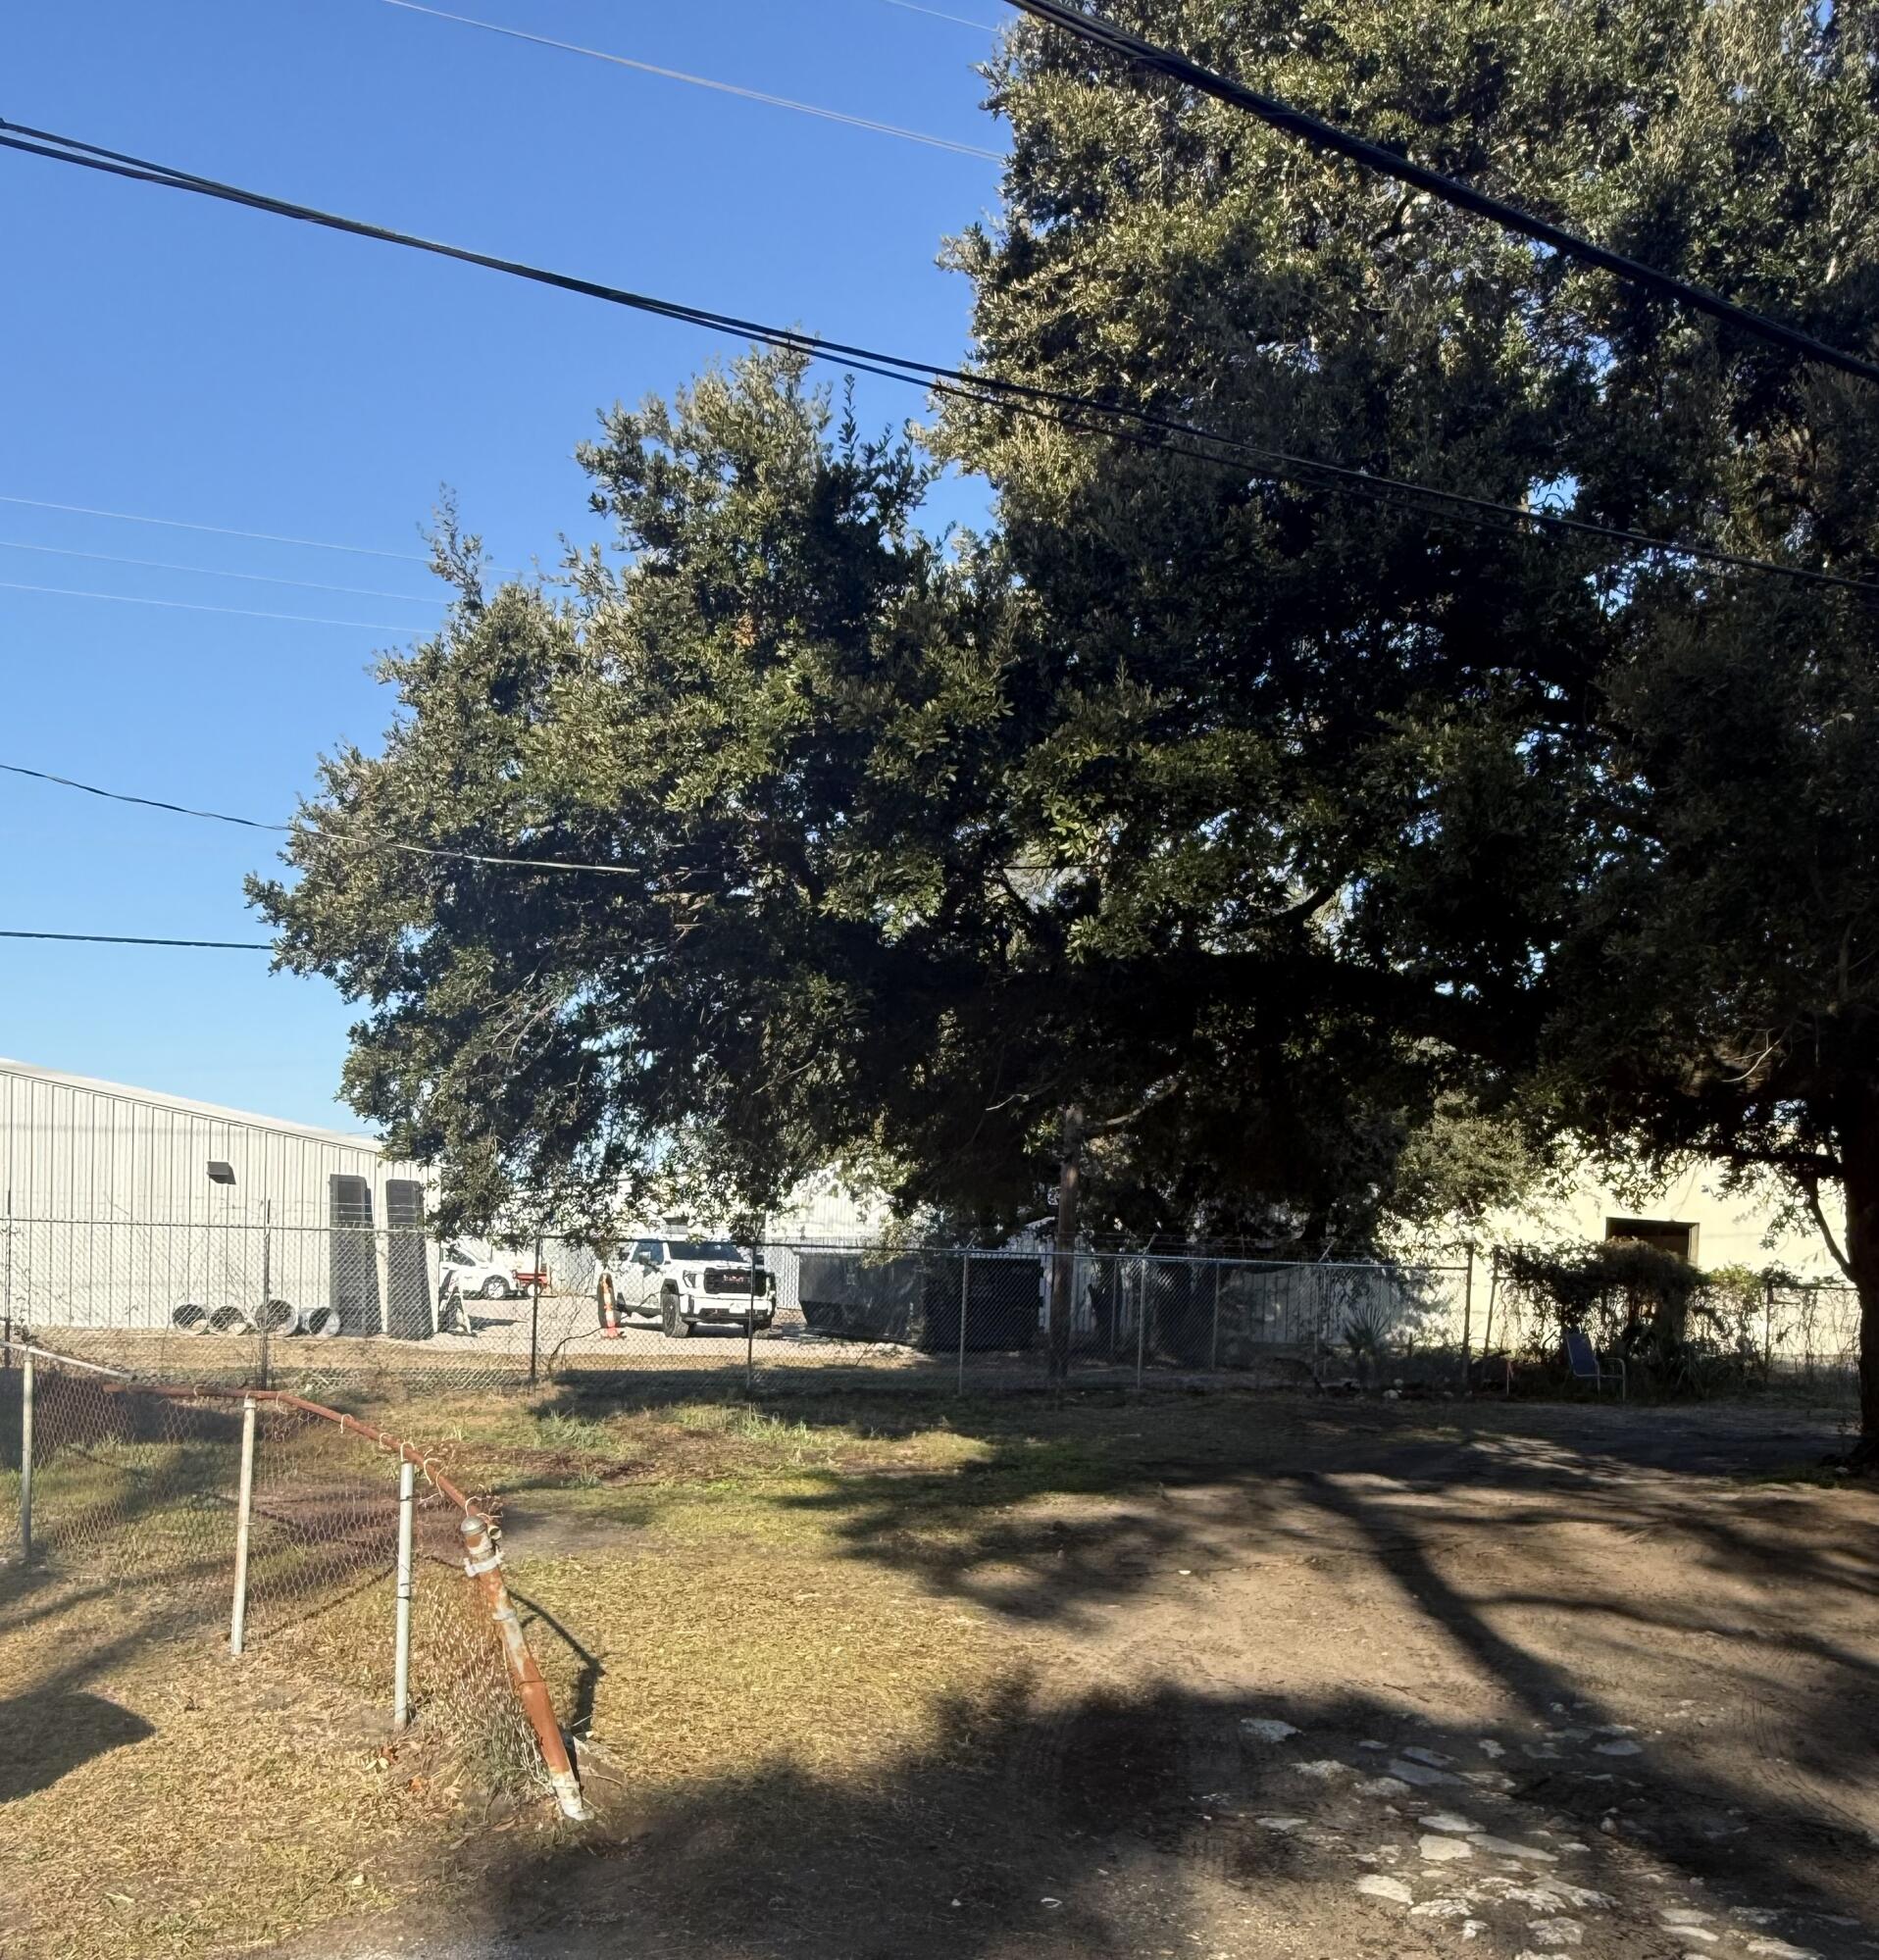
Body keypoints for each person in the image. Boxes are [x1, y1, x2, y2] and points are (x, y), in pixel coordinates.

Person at [595, 1259, 621, 1339]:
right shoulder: (603, 1292)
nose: (604, 1284)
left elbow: (611, 1301)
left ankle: (612, 1333)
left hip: (609, 1311)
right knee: (608, 1321)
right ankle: (609, 1333)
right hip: (606, 1311)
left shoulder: (610, 1291)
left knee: (611, 1321)